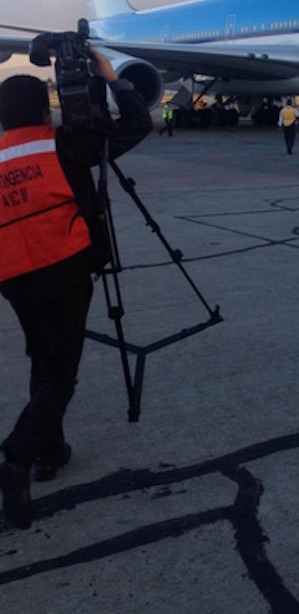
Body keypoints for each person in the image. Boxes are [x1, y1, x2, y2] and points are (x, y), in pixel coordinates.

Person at [0, 53, 152, 529]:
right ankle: (19, 454)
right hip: (63, 268)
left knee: (42, 362)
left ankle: (50, 453)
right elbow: (136, 125)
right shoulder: (62, 146)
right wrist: (111, 79)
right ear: (46, 112)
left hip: (14, 278)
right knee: (61, 375)